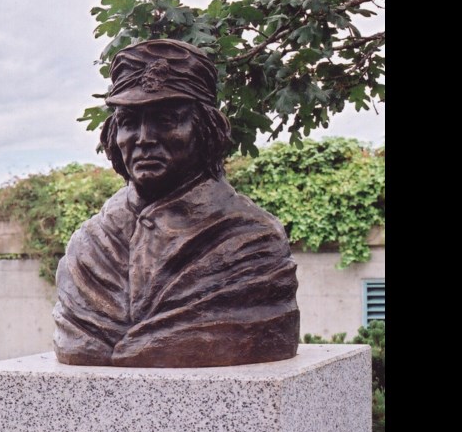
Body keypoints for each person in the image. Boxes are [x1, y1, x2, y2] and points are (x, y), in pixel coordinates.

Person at [53, 39, 299, 367]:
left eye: (166, 120)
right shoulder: (87, 246)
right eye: (128, 122)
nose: (144, 138)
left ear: (205, 129)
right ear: (114, 135)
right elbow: (78, 336)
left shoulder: (253, 242)